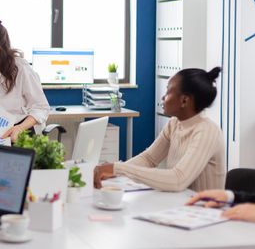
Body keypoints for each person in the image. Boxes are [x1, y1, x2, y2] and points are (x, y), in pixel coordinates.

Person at [94, 67, 225, 192]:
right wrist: (113, 172)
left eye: (168, 92)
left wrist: (118, 169)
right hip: (181, 205)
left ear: (184, 101)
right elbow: (149, 159)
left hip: (205, 211)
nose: (163, 98)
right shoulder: (174, 124)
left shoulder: (207, 131)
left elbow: (178, 180)